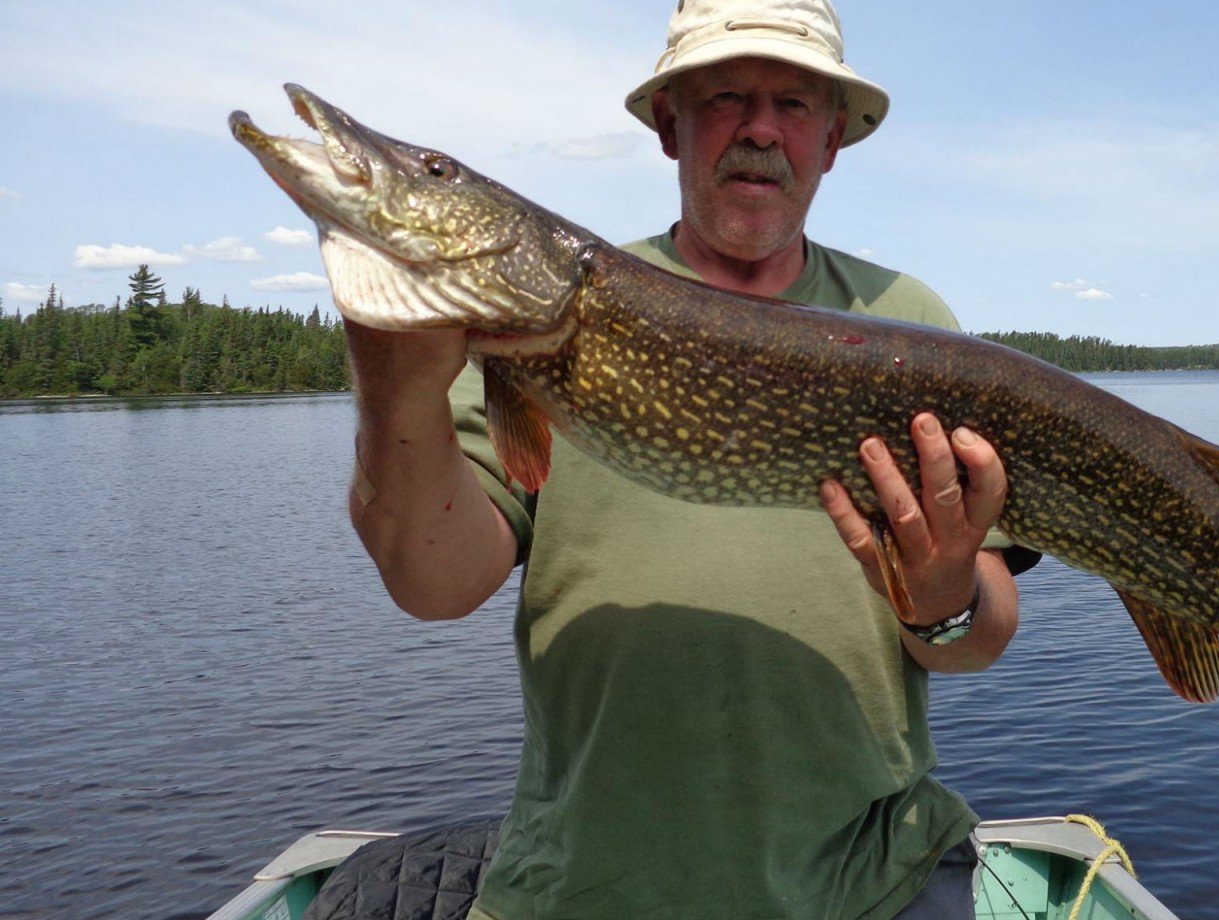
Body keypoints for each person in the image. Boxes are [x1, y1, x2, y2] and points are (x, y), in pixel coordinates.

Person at [344, 2, 1037, 917]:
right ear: (671, 123)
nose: (760, 128)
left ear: (832, 140)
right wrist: (393, 384)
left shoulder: (906, 322)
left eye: (794, 103)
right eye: (725, 97)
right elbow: (433, 583)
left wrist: (946, 601)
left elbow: (977, 641)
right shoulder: (541, 320)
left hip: (868, 883)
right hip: (586, 886)